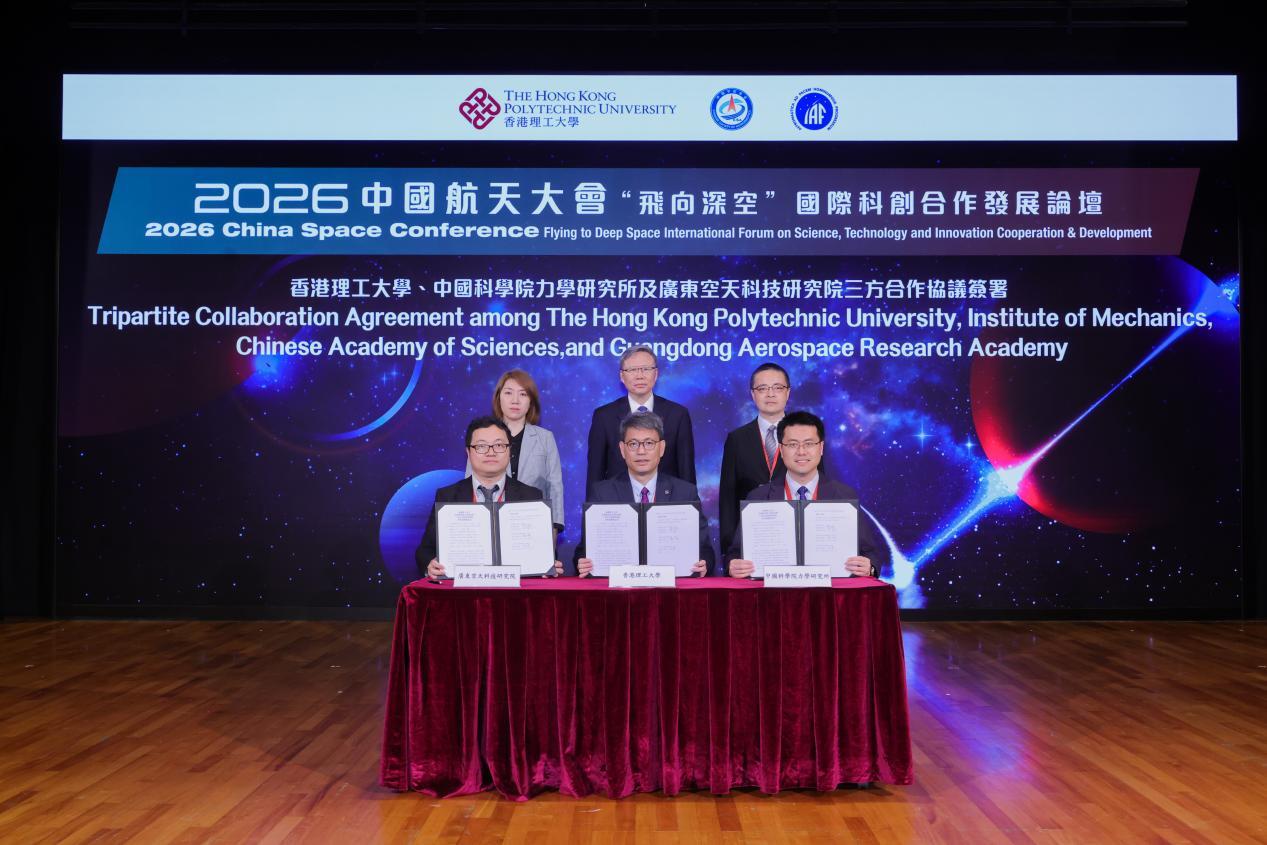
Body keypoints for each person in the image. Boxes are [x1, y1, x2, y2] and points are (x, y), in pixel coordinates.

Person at [725, 410, 879, 579]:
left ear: (821, 448)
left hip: (830, 591)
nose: (801, 451)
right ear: (781, 450)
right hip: (774, 591)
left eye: (809, 444)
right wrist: (733, 566)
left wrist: (869, 567)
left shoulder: (844, 496)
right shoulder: (757, 498)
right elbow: (735, 554)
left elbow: (870, 553)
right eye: (792, 445)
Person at [416, 416, 564, 579]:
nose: (491, 452)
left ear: (509, 450)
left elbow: (543, 551)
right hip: (464, 588)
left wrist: (548, 564)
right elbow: (425, 550)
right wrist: (430, 565)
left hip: (516, 588)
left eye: (499, 445)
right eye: (481, 446)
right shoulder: (448, 496)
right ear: (468, 452)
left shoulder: (532, 496)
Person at [574, 411, 712, 577]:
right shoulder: (602, 493)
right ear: (622, 449)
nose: (641, 451)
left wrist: (704, 563)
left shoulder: (685, 493)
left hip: (671, 585)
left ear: (662, 448)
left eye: (649, 443)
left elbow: (705, 549)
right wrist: (582, 562)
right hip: (620, 587)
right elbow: (583, 550)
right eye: (633, 444)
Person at [465, 369, 565, 534]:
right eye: (508, 393)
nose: (515, 400)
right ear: (499, 398)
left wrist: (554, 527)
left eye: (523, 394)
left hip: (532, 525)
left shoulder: (545, 438)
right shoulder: (482, 435)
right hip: (489, 525)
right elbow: (469, 482)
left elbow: (554, 485)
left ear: (531, 401)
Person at [586, 345, 695, 491]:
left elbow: (687, 473)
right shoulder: (604, 416)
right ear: (622, 376)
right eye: (632, 370)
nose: (640, 376)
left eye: (646, 369)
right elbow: (595, 474)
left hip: (666, 501)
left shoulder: (677, 414)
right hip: (618, 501)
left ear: (656, 374)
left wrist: (690, 504)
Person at [718, 362, 793, 554]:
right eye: (762, 388)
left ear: (788, 392)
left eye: (777, 388)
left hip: (794, 535)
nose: (770, 394)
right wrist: (729, 554)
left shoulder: (806, 436)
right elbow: (728, 499)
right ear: (753, 394)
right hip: (750, 539)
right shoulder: (736, 439)